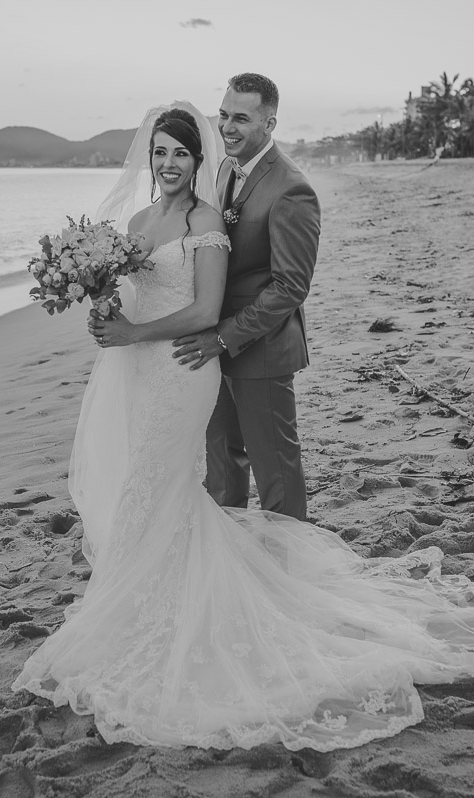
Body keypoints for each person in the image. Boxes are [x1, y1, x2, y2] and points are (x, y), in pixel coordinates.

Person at [11, 97, 474, 752]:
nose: (169, 164)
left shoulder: (205, 223)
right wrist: (99, 294)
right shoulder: (137, 222)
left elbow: (203, 311)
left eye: (181, 154)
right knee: (156, 488)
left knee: (157, 484)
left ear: (199, 162)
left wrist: (133, 329)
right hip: (141, 373)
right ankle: (140, 605)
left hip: (183, 373)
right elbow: (133, 295)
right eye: (160, 153)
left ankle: (163, 615)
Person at [171, 73, 318, 521]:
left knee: (276, 471)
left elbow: (290, 286)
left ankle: (287, 574)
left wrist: (223, 337)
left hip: (263, 350)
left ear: (269, 123)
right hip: (213, 345)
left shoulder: (292, 188)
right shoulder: (222, 170)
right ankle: (231, 565)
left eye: (241, 118)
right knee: (223, 466)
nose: (227, 127)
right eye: (223, 115)